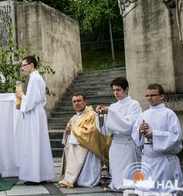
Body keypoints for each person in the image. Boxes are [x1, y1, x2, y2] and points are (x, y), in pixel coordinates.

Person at [130, 84, 183, 195]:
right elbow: (135, 137)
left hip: (163, 161)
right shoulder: (144, 114)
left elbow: (176, 136)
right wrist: (140, 130)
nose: (149, 98)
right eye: (147, 95)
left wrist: (154, 135)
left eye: (153, 95)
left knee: (164, 191)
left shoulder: (169, 114)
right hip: (148, 159)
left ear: (162, 96)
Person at [95, 77, 142, 191]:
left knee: (128, 172)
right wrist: (100, 115)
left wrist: (110, 113)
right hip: (116, 143)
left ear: (126, 90)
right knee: (117, 171)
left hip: (127, 143)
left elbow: (129, 124)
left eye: (118, 90)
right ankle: (116, 184)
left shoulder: (134, 105)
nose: (116, 92)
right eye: (114, 90)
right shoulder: (113, 106)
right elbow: (105, 129)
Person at [14, 55, 55, 184]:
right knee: (38, 143)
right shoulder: (36, 78)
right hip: (37, 113)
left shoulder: (34, 78)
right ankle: (41, 174)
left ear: (31, 65)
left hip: (34, 113)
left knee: (33, 143)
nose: (22, 68)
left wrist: (21, 96)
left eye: (24, 65)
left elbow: (32, 100)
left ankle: (34, 176)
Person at [59, 93, 111, 188]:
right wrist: (66, 132)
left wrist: (73, 130)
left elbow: (92, 131)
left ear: (85, 102)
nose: (76, 103)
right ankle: (72, 178)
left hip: (88, 148)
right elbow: (69, 132)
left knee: (85, 181)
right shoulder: (74, 118)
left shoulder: (91, 115)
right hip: (75, 147)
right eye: (74, 101)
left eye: (79, 101)